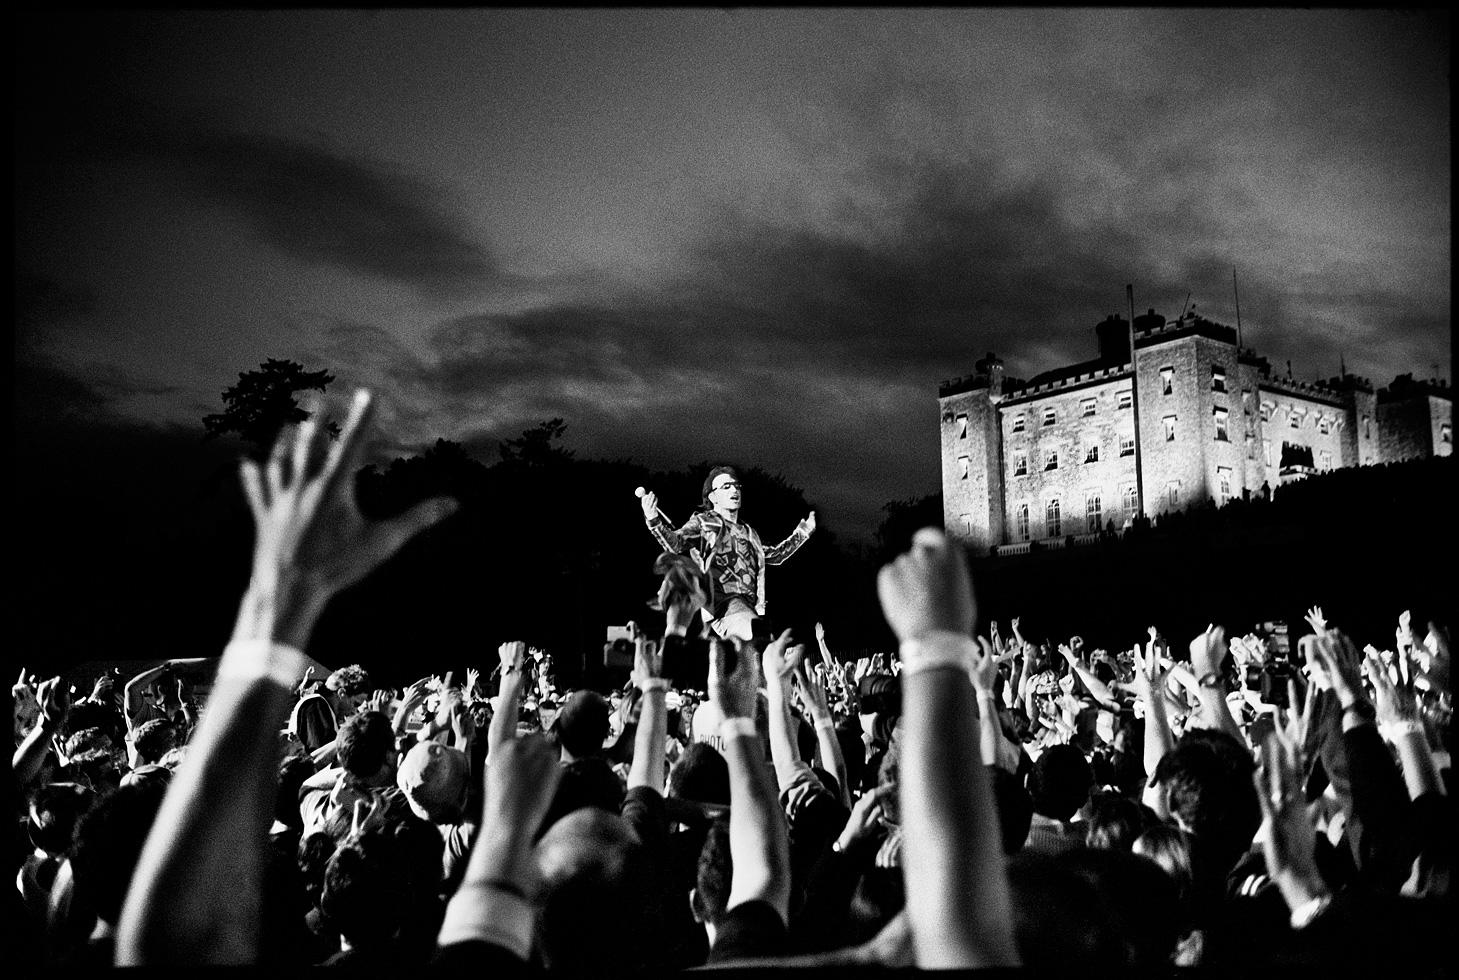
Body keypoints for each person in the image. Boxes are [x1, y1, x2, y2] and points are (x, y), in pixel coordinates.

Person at [639, 466, 815, 640]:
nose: (734, 490)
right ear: (713, 497)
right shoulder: (704, 522)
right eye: (726, 487)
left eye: (736, 486)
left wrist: (803, 533)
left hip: (748, 606)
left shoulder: (749, 533)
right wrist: (653, 519)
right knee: (758, 637)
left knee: (762, 647)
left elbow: (776, 555)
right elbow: (676, 544)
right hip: (723, 605)